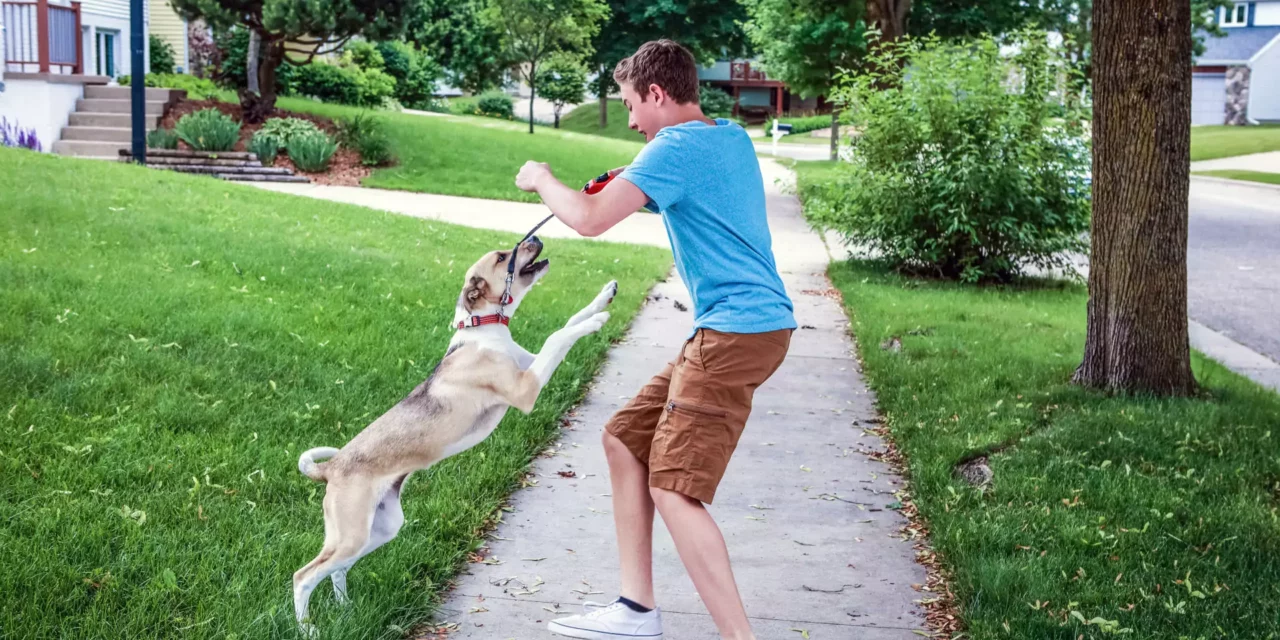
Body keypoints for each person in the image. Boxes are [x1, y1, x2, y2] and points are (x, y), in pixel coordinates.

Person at [514, 39, 796, 640]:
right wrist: (638, 184)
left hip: (732, 333)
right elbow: (698, 196)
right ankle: (635, 609)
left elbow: (589, 221)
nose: (632, 120)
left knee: (673, 486)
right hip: (753, 328)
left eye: (631, 105)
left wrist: (542, 178)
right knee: (625, 440)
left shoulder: (671, 149)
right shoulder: (727, 136)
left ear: (657, 93)